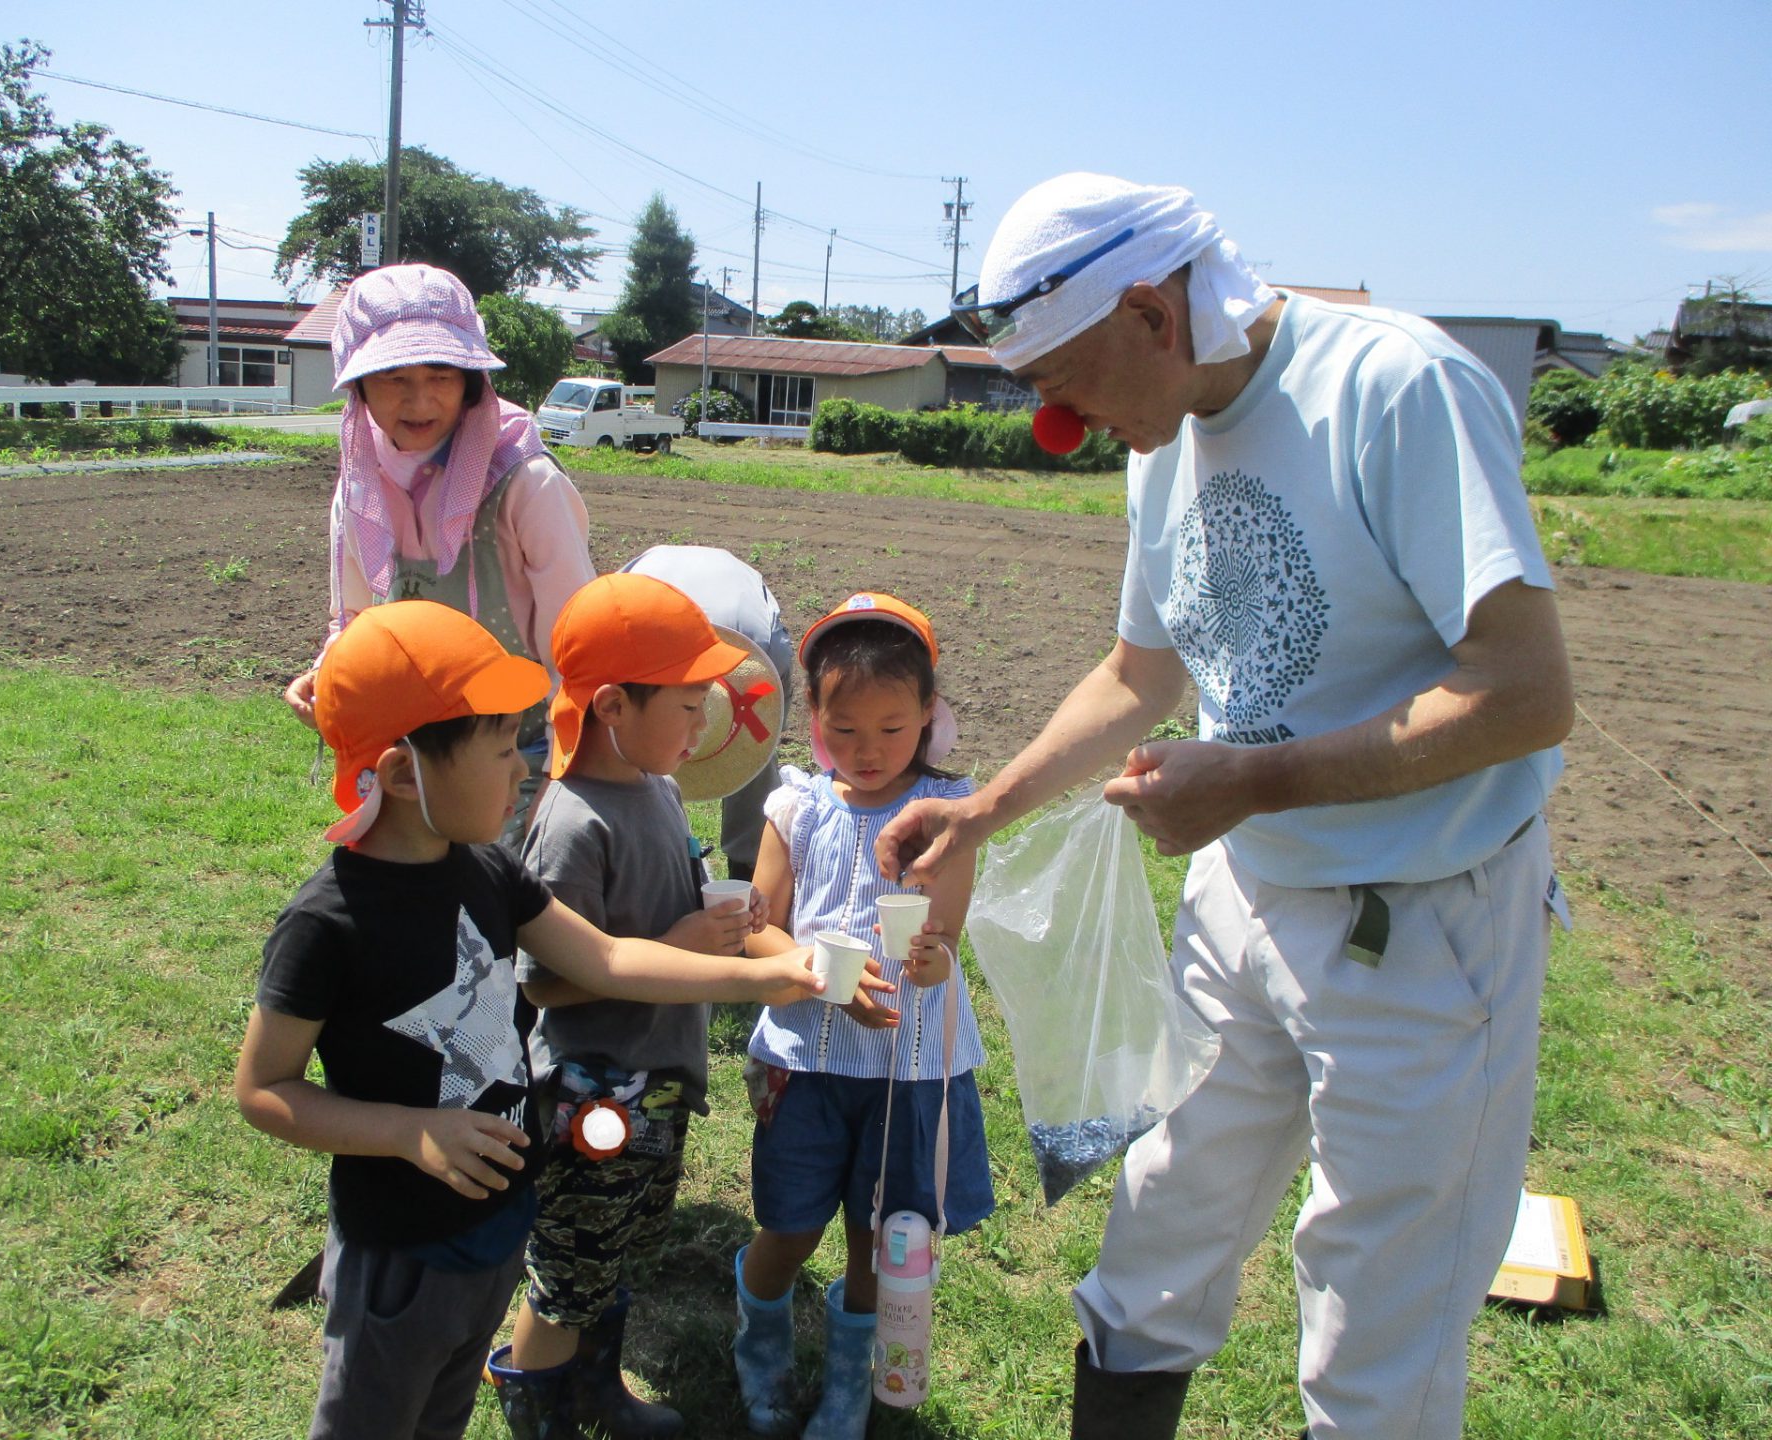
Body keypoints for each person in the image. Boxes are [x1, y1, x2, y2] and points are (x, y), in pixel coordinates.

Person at [878, 174, 1575, 1440]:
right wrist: (983, 812)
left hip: (1421, 919)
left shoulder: (1395, 389)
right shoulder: (1164, 441)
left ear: (1153, 311)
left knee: (1377, 1312)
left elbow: (1524, 694)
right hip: (1243, 892)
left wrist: (1253, 778)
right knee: (1158, 1227)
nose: (1063, 425)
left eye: (1067, 383)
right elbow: (1140, 674)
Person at [235, 599, 822, 1440]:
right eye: (504, 747)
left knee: (442, 1415)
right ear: (402, 775)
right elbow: (264, 1090)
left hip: (498, 1227)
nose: (524, 769)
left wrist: (765, 973)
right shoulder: (327, 926)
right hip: (400, 1251)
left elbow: (607, 961)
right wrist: (408, 1132)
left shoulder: (488, 872)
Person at [489, 572, 775, 1439]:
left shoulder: (660, 788)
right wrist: (683, 942)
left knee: (611, 1252)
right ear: (613, 706)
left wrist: (728, 915)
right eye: (687, 708)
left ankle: (594, 1394)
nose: (702, 727)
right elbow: (543, 982)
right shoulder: (574, 824)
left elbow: (672, 908)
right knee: (567, 1272)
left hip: (656, 1078)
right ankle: (541, 1414)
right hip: (592, 1092)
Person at [733, 593, 994, 1440]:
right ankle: (760, 1340)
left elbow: (945, 937)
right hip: (806, 1061)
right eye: (844, 729)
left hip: (905, 1067)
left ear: (929, 714)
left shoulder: (948, 815)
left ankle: (849, 1386)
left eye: (892, 728)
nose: (868, 750)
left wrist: (932, 961)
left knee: (880, 1236)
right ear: (813, 715)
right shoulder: (797, 806)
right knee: (789, 1225)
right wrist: (821, 975)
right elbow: (761, 927)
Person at [282, 262, 596, 839]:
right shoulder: (360, 484)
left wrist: (559, 771)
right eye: (393, 376)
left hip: (518, 760)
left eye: (441, 374)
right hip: (410, 760)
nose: (420, 399)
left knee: (499, 893)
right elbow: (355, 617)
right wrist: (330, 672)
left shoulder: (525, 483)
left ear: (471, 381)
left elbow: (577, 645)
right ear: (358, 385)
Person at [619, 545, 795, 882]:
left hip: (743, 611)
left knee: (757, 765)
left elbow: (764, 742)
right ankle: (656, 862)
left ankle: (750, 872)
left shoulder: (766, 656)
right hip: (645, 605)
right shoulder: (631, 644)